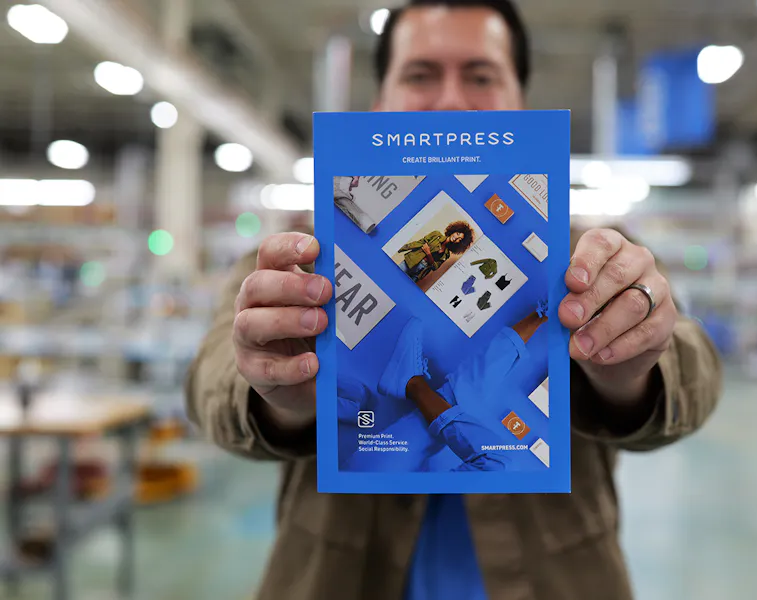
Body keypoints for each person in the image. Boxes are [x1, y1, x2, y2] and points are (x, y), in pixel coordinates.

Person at [184, 1, 724, 599]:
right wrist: (278, 393)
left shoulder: (590, 258)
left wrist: (633, 371)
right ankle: (410, 386)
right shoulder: (300, 260)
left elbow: (692, 368)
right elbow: (210, 377)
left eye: (481, 75)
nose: (449, 101)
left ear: (520, 102)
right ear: (379, 105)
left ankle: (411, 385)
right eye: (420, 75)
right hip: (337, 575)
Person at [339, 305, 548, 473]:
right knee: (459, 401)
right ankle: (410, 383)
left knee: (500, 465)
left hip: (375, 493)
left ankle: (413, 384)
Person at [397, 221, 475, 282]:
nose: (456, 238)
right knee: (394, 276)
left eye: (460, 239)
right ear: (453, 231)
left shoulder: (446, 254)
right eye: (457, 234)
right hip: (411, 262)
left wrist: (428, 253)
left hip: (420, 273)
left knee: (403, 289)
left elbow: (434, 267)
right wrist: (402, 248)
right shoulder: (436, 234)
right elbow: (420, 243)